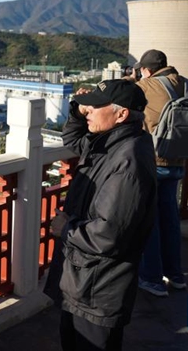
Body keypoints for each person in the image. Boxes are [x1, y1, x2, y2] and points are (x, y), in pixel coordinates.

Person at [44, 79, 157, 351]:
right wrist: (77, 111)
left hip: (98, 286)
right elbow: (72, 139)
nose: (89, 111)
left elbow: (109, 235)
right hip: (85, 280)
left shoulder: (128, 161)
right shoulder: (110, 144)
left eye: (96, 106)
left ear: (121, 114)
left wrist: (66, 228)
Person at [132, 49, 188, 297]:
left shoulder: (145, 85)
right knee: (169, 217)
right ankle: (176, 276)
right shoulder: (186, 84)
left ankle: (152, 279)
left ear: (146, 69)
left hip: (154, 159)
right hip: (179, 159)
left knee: (150, 219)